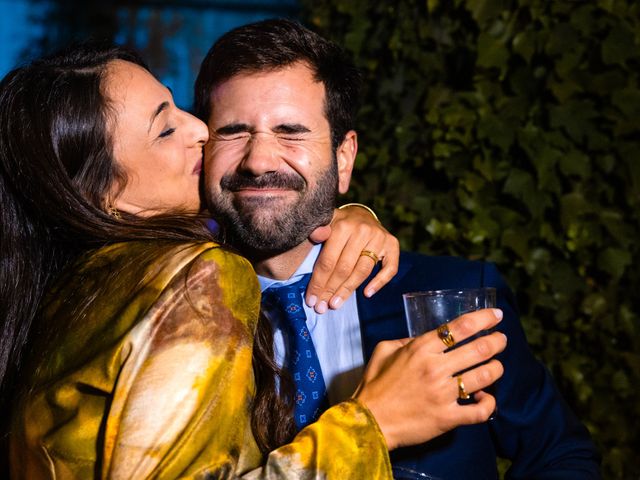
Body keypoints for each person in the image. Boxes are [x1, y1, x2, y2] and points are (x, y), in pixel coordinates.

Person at [1, 43, 507, 479]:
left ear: (345, 156)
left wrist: (350, 212)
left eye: (178, 109)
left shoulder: (67, 293)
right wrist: (373, 423)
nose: (199, 130)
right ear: (103, 197)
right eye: (165, 130)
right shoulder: (195, 278)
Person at [194, 18, 601, 479]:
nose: (259, 160)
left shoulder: (451, 298)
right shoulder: (171, 312)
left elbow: (559, 456)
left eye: (290, 130)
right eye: (232, 131)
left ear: (343, 158)